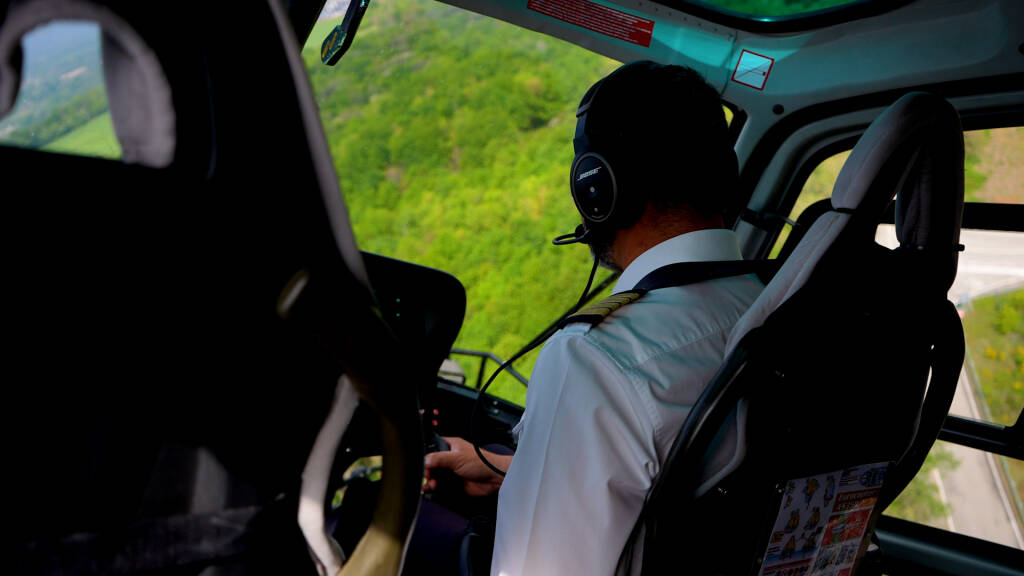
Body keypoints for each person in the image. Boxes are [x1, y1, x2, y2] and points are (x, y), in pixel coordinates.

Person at [424, 60, 763, 575]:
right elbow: (692, 494)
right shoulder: (770, 311)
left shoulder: (600, 357)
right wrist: (516, 474)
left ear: (599, 187)